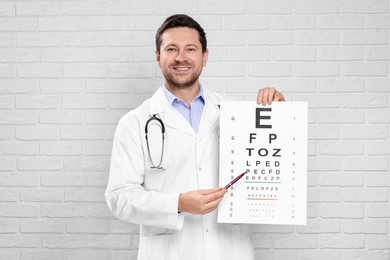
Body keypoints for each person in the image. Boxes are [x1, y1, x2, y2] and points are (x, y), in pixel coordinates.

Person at [105, 14, 285, 260]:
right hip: (170, 252)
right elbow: (119, 198)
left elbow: (270, 165)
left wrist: (278, 115)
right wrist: (178, 203)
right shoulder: (135, 122)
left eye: (190, 48)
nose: (181, 57)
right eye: (171, 49)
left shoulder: (237, 113)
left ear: (204, 56)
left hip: (230, 250)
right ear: (158, 57)